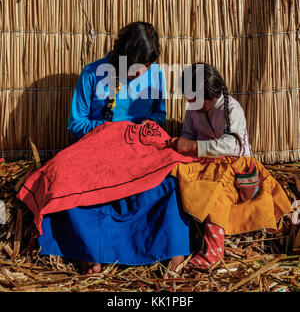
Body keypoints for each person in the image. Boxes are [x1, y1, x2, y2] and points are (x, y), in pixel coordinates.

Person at [37, 22, 190, 274]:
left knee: (172, 184)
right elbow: (77, 124)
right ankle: (91, 251)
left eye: (147, 67)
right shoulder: (91, 74)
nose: (142, 74)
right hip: (98, 152)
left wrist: (144, 129)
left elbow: (158, 115)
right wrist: (113, 130)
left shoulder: (156, 74)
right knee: (67, 184)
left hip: (139, 152)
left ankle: (172, 250)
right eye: (136, 68)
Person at [167, 63, 292, 270]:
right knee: (178, 176)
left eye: (194, 98)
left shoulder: (229, 108)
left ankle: (213, 251)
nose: (189, 103)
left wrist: (194, 146)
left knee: (214, 192)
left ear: (211, 96)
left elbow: (231, 144)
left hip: (235, 165)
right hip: (206, 163)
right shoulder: (194, 108)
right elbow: (189, 133)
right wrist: (181, 144)